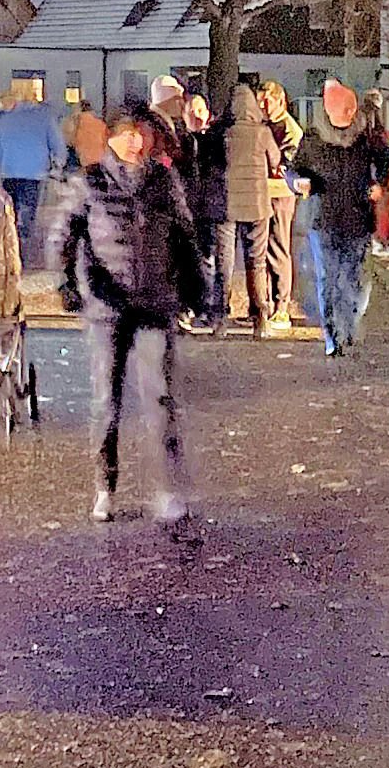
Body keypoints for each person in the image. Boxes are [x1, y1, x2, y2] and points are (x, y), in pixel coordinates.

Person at [55, 107, 204, 523]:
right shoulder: (90, 182)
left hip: (156, 302)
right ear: (112, 139)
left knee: (160, 397)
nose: (135, 142)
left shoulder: (163, 181)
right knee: (108, 399)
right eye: (127, 134)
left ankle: (170, 488)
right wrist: (69, 285)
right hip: (108, 307)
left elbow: (185, 236)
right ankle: (106, 485)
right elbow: (64, 237)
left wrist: (196, 288)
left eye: (141, 134)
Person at [291, 78, 389, 357]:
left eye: (352, 107)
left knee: (356, 279)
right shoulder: (313, 139)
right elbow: (295, 169)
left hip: (358, 217)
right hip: (324, 219)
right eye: (344, 109)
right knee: (328, 278)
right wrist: (300, 182)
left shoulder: (366, 136)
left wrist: (381, 185)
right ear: (329, 111)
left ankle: (350, 326)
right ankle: (332, 335)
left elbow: (388, 159)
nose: (351, 113)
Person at [212, 83, 280, 332]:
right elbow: (275, 160)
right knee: (257, 261)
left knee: (224, 262)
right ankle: (260, 317)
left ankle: (220, 319)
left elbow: (210, 162)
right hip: (257, 205)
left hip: (226, 204)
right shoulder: (262, 132)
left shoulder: (220, 132)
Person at [0, 81, 64, 266]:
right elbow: (58, 147)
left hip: (7, 173)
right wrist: (57, 168)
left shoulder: (3, 121)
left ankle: (9, 253)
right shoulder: (46, 118)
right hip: (35, 175)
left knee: (10, 214)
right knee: (28, 216)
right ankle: (23, 256)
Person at [179, 93, 232, 327]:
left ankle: (215, 308)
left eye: (200, 110)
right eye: (191, 111)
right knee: (196, 260)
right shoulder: (181, 141)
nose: (196, 115)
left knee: (216, 260)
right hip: (190, 209)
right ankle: (197, 306)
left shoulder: (216, 139)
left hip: (214, 207)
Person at [257, 82, 303, 322]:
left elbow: (285, 166)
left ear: (280, 101)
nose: (263, 107)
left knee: (278, 248)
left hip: (280, 195)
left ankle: (282, 305)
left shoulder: (289, 129)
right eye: (260, 102)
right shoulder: (266, 126)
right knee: (262, 251)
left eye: (267, 102)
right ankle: (266, 304)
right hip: (263, 194)